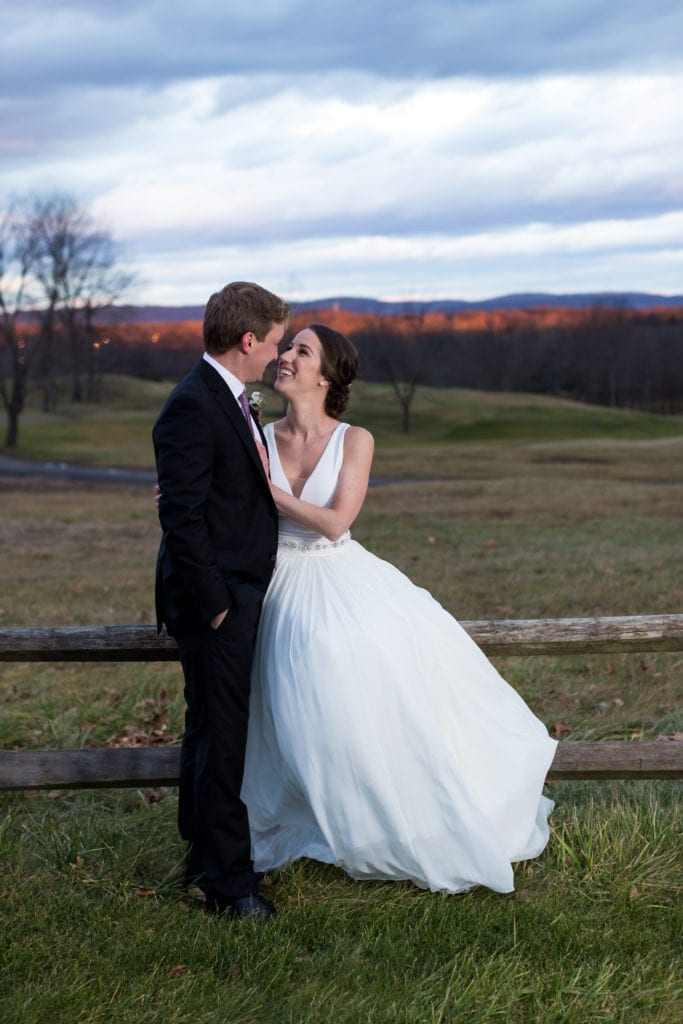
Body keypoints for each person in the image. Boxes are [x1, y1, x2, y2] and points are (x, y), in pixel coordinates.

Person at [241, 323, 558, 894]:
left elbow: (338, 522)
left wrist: (266, 491)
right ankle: (303, 814)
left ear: (327, 374)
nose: (285, 356)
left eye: (300, 351)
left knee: (363, 663)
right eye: (286, 348)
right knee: (291, 692)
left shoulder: (355, 439)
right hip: (276, 575)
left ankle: (386, 815)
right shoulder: (259, 434)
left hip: (337, 571)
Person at [153, 281, 290, 919]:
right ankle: (231, 887)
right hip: (218, 601)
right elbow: (182, 518)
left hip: (236, 590)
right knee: (221, 741)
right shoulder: (191, 405)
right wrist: (216, 604)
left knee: (209, 731)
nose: (277, 358)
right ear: (247, 340)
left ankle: (201, 856)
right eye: (275, 345)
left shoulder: (239, 397)